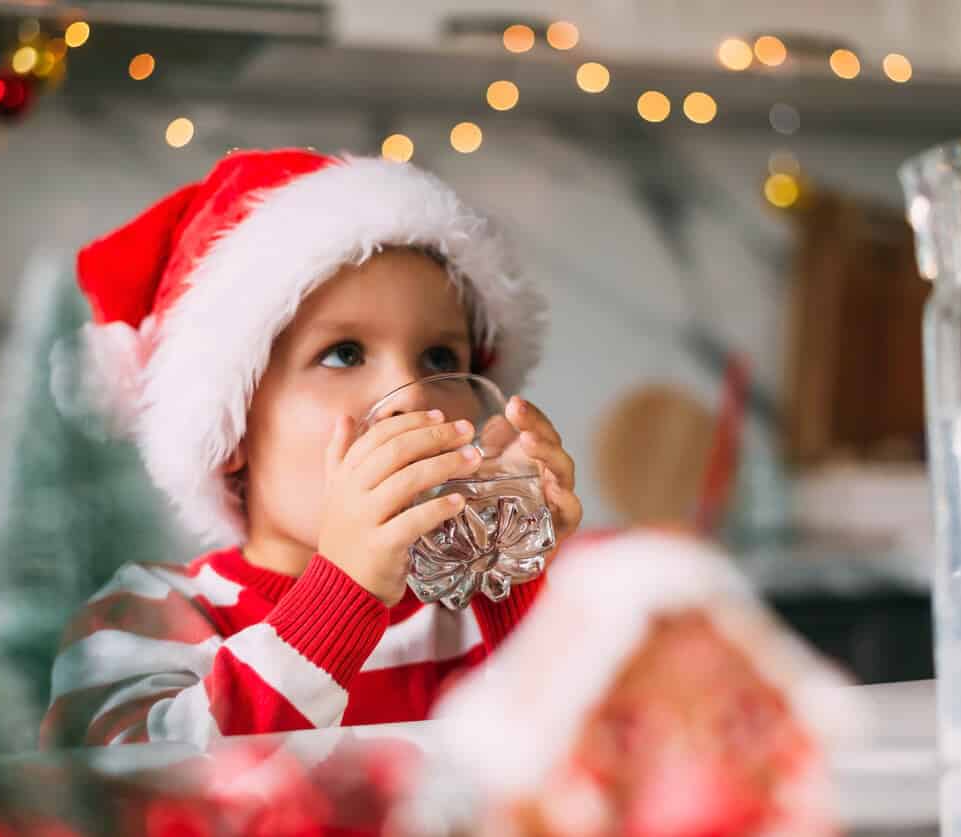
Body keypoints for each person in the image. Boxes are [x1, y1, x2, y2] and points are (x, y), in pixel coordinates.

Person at [40, 149, 582, 748]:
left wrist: (518, 574)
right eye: (344, 353)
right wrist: (342, 597)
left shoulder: (474, 614)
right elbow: (130, 796)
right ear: (230, 432)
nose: (408, 395)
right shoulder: (149, 615)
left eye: (439, 359)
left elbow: (603, 771)